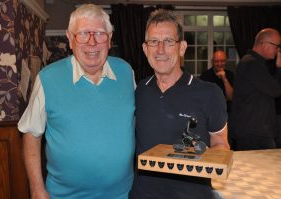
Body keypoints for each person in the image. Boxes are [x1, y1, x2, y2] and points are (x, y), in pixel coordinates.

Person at [18, 4, 135, 199]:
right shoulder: (47, 79)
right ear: (70, 39)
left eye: (99, 33)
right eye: (83, 34)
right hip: (64, 196)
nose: (92, 42)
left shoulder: (126, 72)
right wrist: (37, 189)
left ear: (109, 39)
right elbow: (31, 134)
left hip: (123, 194)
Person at [129, 9, 230, 199]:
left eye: (168, 41)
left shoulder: (209, 93)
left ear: (182, 47)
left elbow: (220, 142)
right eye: (153, 42)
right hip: (143, 194)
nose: (160, 50)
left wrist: (208, 157)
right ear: (145, 48)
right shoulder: (139, 91)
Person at [229, 28, 281, 151]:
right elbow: (276, 90)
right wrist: (279, 68)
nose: (278, 50)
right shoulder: (251, 64)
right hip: (254, 133)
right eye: (276, 46)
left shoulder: (254, 63)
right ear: (263, 43)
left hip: (254, 131)